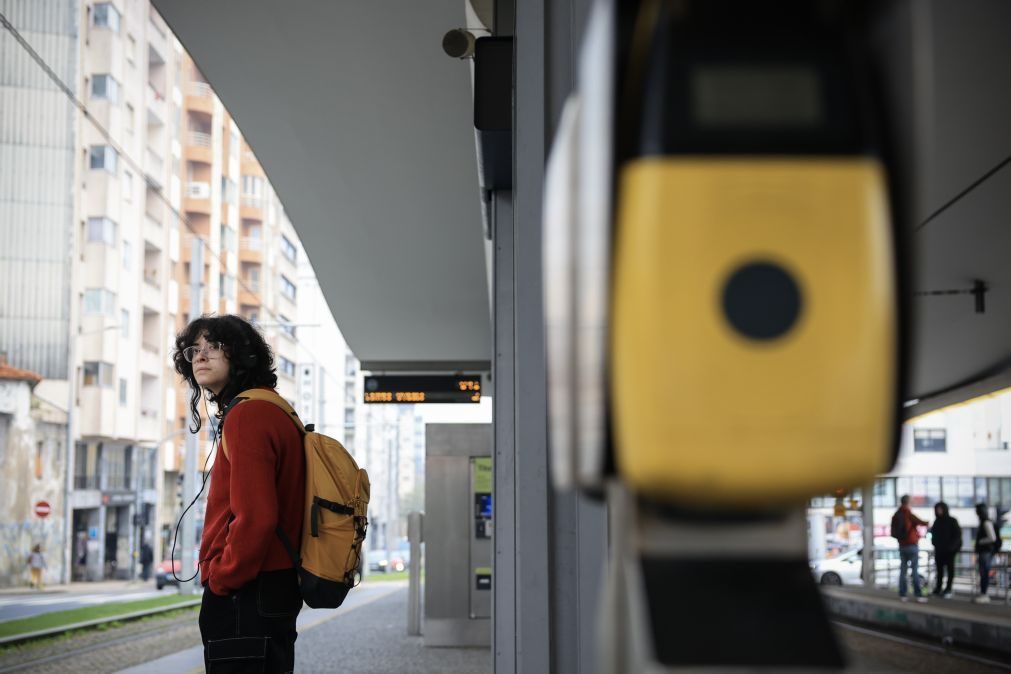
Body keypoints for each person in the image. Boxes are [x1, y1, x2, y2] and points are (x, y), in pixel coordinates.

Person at [173, 315, 306, 673]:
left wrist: (222, 579)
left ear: (242, 354)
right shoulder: (275, 409)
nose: (199, 356)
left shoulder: (248, 415)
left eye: (213, 346)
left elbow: (257, 518)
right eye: (193, 349)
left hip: (247, 589)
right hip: (272, 585)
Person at [893, 495, 929, 602]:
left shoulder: (896, 514)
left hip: (902, 545)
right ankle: (918, 594)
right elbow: (922, 522)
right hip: (912, 546)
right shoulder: (908, 514)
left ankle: (903, 594)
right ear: (908, 502)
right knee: (914, 571)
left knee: (903, 571)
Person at [928, 501, 961, 598]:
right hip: (939, 550)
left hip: (950, 551)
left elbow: (957, 535)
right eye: (937, 509)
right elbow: (933, 534)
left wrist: (952, 547)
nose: (938, 511)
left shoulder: (952, 521)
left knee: (950, 570)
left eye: (940, 509)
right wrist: (935, 543)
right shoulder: (936, 521)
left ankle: (948, 589)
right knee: (939, 570)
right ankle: (938, 588)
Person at [973, 503, 998, 604]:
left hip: (985, 552)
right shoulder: (985, 522)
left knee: (984, 573)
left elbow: (992, 538)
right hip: (985, 552)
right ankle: (983, 594)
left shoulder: (986, 522)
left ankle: (984, 594)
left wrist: (980, 542)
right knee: (983, 572)